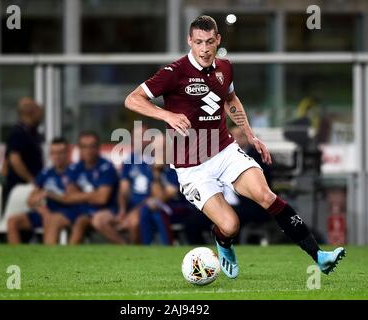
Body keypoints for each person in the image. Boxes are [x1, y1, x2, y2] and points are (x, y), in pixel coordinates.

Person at [125, 15, 345, 278]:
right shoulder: (174, 73)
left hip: (224, 151)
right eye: (198, 43)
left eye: (209, 42)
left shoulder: (225, 68)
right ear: (189, 42)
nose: (204, 49)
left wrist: (251, 135)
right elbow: (132, 99)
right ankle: (224, 242)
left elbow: (230, 99)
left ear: (218, 40)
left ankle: (319, 256)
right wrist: (166, 115)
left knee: (266, 195)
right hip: (191, 167)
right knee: (230, 225)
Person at [48, 131, 124, 245]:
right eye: (84, 147)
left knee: (81, 221)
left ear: (98, 147)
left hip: (104, 210)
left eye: (92, 146)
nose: (88, 151)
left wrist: (80, 195)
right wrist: (94, 193)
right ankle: (49, 256)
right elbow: (69, 196)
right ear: (79, 149)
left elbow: (102, 199)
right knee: (54, 219)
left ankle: (124, 246)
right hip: (80, 210)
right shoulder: (75, 168)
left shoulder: (106, 167)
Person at [7, 137, 79, 245]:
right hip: (47, 212)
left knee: (52, 220)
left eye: (60, 153)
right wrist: (42, 210)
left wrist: (49, 194)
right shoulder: (45, 173)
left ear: (67, 153)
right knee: (13, 221)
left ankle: (49, 258)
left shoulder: (75, 171)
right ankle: (16, 257)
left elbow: (71, 198)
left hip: (68, 212)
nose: (57, 156)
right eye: (53, 153)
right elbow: (31, 200)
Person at [2, 97, 44, 213]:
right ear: (31, 112)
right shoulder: (18, 133)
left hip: (31, 187)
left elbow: (4, 164)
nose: (42, 115)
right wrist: (31, 180)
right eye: (39, 111)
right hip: (20, 188)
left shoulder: (33, 133)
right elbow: (14, 160)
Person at [117, 123, 153, 243]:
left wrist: (134, 212)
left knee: (133, 222)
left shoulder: (158, 158)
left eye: (143, 135)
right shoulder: (129, 160)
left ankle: (136, 253)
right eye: (136, 136)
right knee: (103, 220)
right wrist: (122, 210)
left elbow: (156, 194)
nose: (139, 140)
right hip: (132, 206)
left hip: (150, 206)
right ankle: (124, 249)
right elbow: (124, 189)